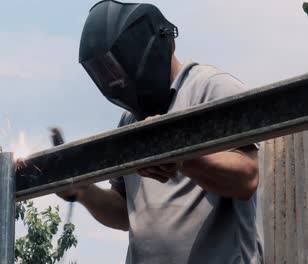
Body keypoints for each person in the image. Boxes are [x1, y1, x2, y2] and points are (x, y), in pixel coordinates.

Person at [57, 1, 264, 263]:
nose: (117, 80)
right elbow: (125, 213)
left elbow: (246, 178)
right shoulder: (130, 121)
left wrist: (183, 158)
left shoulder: (211, 90)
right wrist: (82, 190)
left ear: (157, 46)